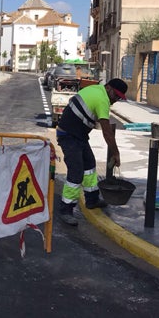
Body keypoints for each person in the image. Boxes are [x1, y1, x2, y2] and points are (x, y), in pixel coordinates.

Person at [56, 78, 128, 226]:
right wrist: (116, 153)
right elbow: (107, 132)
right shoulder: (103, 99)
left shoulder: (96, 90)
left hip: (78, 135)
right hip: (69, 136)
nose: (116, 100)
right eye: (116, 95)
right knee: (76, 173)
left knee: (89, 166)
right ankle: (66, 209)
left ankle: (92, 199)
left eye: (119, 98)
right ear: (108, 88)